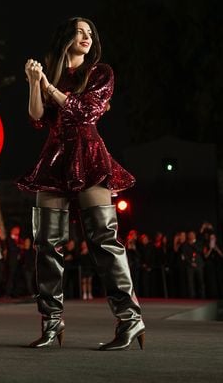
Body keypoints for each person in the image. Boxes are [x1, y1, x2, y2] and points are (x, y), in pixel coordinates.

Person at [17, 17, 144, 350]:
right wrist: (35, 82)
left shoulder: (101, 73)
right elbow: (37, 118)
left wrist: (48, 87)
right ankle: (51, 322)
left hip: (88, 155)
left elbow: (84, 113)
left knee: (103, 241)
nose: (87, 37)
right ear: (66, 36)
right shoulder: (51, 73)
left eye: (91, 33)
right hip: (54, 158)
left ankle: (130, 320)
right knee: (46, 244)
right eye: (80, 31)